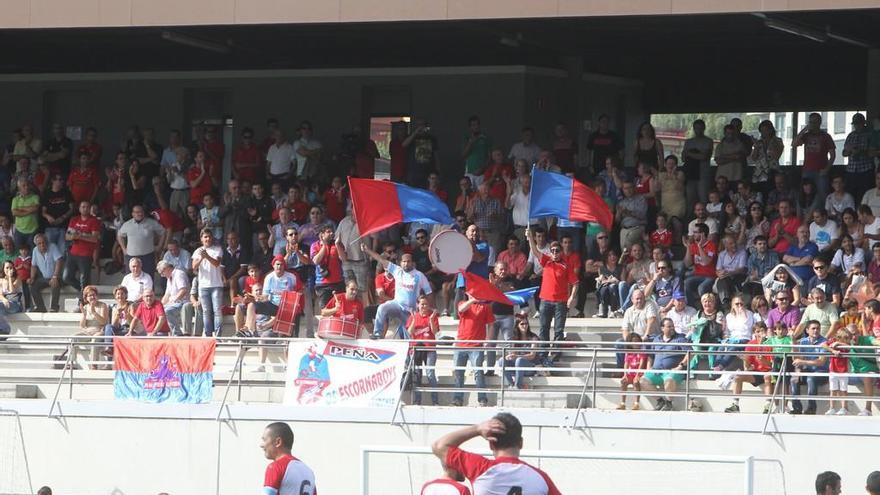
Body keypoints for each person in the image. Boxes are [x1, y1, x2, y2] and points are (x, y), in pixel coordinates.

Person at [431, 413, 561, 495]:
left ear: (491, 444)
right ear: (521, 443)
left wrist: (477, 429)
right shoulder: (541, 478)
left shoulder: (480, 468)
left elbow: (439, 446)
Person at [362, 242, 432, 340]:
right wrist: (367, 250)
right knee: (382, 308)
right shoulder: (397, 270)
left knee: (408, 336)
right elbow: (381, 260)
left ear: (412, 263)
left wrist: (429, 309)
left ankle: (409, 352)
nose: (406, 263)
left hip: (410, 310)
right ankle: (377, 333)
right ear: (400, 262)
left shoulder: (419, 275)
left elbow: (429, 293)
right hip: (396, 304)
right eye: (404, 261)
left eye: (408, 261)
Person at [526, 228, 577, 354]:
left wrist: (571, 298)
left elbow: (575, 283)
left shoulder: (566, 265)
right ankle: (543, 354)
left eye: (557, 251)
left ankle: (555, 354)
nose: (554, 253)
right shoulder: (546, 261)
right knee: (544, 328)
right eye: (552, 250)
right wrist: (530, 238)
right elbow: (535, 251)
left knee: (559, 330)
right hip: (545, 301)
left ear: (561, 252)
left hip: (560, 302)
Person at [452, 292, 493, 407]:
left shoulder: (486, 307)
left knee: (478, 373)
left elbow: (491, 324)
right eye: (471, 293)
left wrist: (488, 340)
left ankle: (482, 399)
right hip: (460, 344)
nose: (474, 295)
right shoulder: (463, 303)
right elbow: (460, 308)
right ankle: (457, 399)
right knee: (458, 373)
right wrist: (472, 300)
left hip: (476, 346)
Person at [640, 318, 688, 411]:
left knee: (669, 380)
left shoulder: (680, 338)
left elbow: (690, 353)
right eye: (669, 326)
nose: (672, 328)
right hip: (656, 371)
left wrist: (681, 366)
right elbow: (651, 355)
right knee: (642, 381)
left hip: (672, 371)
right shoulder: (656, 339)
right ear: (662, 328)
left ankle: (669, 403)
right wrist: (648, 367)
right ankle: (660, 401)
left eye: (672, 326)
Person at [724, 323, 773, 413]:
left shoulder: (771, 343)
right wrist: (745, 359)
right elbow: (747, 367)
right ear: (754, 333)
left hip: (768, 372)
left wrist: (762, 361)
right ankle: (735, 404)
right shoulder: (751, 344)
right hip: (755, 372)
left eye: (762, 331)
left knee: (767, 377)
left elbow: (771, 365)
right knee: (738, 376)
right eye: (758, 331)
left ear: (765, 331)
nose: (760, 333)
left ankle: (768, 406)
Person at [260, 422, 317, 495]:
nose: (261, 445)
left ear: (278, 442)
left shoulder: (275, 467)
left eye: (264, 440)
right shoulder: (309, 472)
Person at [405, 294, 440, 406]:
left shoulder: (433, 316)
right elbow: (409, 332)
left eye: (426, 304)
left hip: (429, 349)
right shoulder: (413, 317)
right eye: (422, 304)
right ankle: (417, 401)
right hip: (416, 350)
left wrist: (430, 320)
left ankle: (435, 401)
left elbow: (436, 333)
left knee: (430, 374)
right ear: (417, 305)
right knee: (417, 375)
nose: (424, 306)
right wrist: (414, 319)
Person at [793, 112, 836, 199]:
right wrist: (805, 129)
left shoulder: (826, 136)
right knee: (806, 195)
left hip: (821, 170)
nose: (813, 124)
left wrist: (826, 169)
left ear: (819, 122)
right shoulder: (806, 136)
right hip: (807, 170)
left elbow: (833, 155)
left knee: (823, 193)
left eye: (815, 122)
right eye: (811, 122)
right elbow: (794, 144)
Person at [789, 319, 828, 415]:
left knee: (811, 379)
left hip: (821, 372)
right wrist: (793, 342)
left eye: (818, 328)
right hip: (808, 370)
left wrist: (802, 361)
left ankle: (811, 408)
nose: (816, 330)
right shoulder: (803, 342)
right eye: (813, 328)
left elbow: (821, 362)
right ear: (807, 330)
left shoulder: (824, 342)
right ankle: (797, 408)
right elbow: (797, 359)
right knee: (794, 378)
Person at [192, 229, 224, 337]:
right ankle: (208, 335)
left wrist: (207, 256)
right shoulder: (197, 251)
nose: (207, 239)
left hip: (216, 285)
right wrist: (202, 257)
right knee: (206, 312)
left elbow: (216, 263)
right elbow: (194, 267)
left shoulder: (217, 249)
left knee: (217, 311)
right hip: (203, 286)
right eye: (205, 237)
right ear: (201, 239)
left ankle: (218, 337)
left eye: (209, 237)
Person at [117, 204, 165, 275]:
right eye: (137, 212)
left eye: (141, 211)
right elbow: (119, 235)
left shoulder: (151, 223)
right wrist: (123, 248)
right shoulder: (127, 224)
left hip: (147, 256)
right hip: (131, 256)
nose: (139, 214)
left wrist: (159, 246)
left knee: (149, 278)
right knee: (131, 279)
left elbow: (163, 232)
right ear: (132, 214)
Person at [74, 285, 110, 369]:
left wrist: (94, 312)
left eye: (94, 295)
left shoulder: (102, 305)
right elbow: (82, 325)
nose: (92, 297)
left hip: (99, 331)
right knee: (73, 338)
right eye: (90, 295)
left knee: (95, 339)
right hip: (88, 331)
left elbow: (103, 322)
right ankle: (71, 363)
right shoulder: (86, 307)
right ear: (86, 298)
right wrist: (84, 314)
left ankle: (93, 365)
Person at [683, 223, 717, 306]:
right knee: (686, 282)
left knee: (702, 288)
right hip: (697, 275)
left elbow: (706, 262)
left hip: (710, 276)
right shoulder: (693, 246)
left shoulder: (711, 245)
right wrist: (688, 247)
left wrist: (700, 247)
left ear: (703, 234)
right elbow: (687, 264)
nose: (693, 234)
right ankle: (691, 307)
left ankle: (705, 309)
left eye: (696, 232)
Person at [29, 233, 63, 313]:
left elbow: (59, 261)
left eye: (43, 242)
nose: (42, 245)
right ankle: (41, 307)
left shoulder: (52, 246)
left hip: (57, 276)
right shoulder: (35, 250)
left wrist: (55, 277)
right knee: (33, 285)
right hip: (45, 278)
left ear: (47, 242)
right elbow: (33, 266)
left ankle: (54, 308)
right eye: (39, 243)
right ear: (36, 245)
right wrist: (32, 278)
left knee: (55, 283)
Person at [826, 327, 855, 415]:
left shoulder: (846, 344)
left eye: (846, 338)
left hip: (844, 371)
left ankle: (844, 408)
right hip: (833, 370)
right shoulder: (833, 341)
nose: (844, 339)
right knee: (833, 390)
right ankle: (832, 408)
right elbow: (823, 345)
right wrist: (833, 350)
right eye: (840, 337)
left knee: (843, 390)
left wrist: (839, 343)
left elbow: (850, 347)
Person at [158, 261, 189, 336]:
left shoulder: (179, 274)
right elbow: (167, 295)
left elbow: (183, 290)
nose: (162, 275)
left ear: (167, 269)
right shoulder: (169, 278)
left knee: (167, 310)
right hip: (173, 303)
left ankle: (177, 333)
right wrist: (159, 306)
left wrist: (173, 301)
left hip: (182, 302)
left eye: (162, 273)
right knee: (158, 310)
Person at [618, 333, 647, 410]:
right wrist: (625, 374)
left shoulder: (642, 352)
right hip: (630, 373)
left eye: (637, 341)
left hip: (639, 373)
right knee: (623, 382)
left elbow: (641, 364)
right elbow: (626, 364)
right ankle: (622, 403)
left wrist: (637, 375)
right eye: (634, 341)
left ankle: (636, 403)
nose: (636, 343)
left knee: (636, 382)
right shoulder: (628, 352)